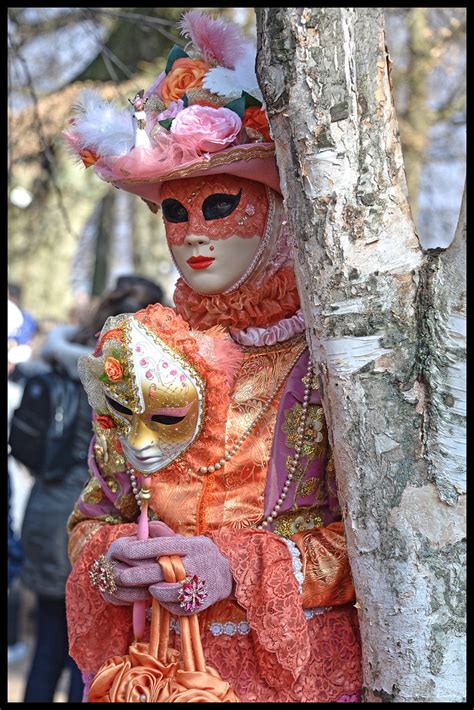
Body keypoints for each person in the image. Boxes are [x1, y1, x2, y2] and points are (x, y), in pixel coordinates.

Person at [64, 11, 362, 702]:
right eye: (175, 212)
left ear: (279, 209)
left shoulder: (336, 353)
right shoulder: (135, 345)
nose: (193, 233)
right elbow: (94, 516)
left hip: (294, 677)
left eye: (221, 203)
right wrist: (113, 561)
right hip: (153, 672)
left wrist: (239, 568)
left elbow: (390, 539)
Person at [19, 276, 165, 703]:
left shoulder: (54, 364)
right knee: (85, 655)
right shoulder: (121, 384)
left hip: (44, 510)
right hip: (88, 522)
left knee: (48, 641)